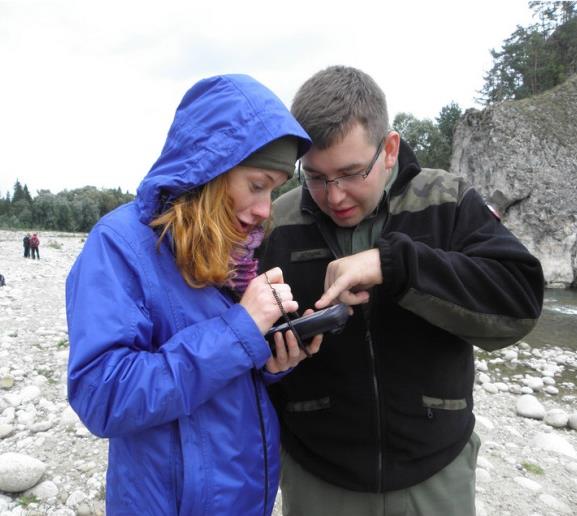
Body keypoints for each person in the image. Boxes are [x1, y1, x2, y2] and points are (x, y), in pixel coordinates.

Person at [259, 65, 545, 516]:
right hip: (318, 475)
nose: (333, 196)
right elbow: (247, 339)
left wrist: (394, 266)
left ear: (389, 149)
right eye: (315, 176)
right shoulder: (278, 221)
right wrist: (273, 355)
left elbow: (518, 302)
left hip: (436, 472)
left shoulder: (447, 200)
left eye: (352, 173)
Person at [66, 74, 321, 516]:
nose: (266, 209)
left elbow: (222, 371)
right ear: (212, 168)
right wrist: (241, 328)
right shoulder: (118, 245)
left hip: (244, 498)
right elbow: (101, 394)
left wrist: (269, 359)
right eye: (257, 185)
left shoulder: (231, 247)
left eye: (274, 190)